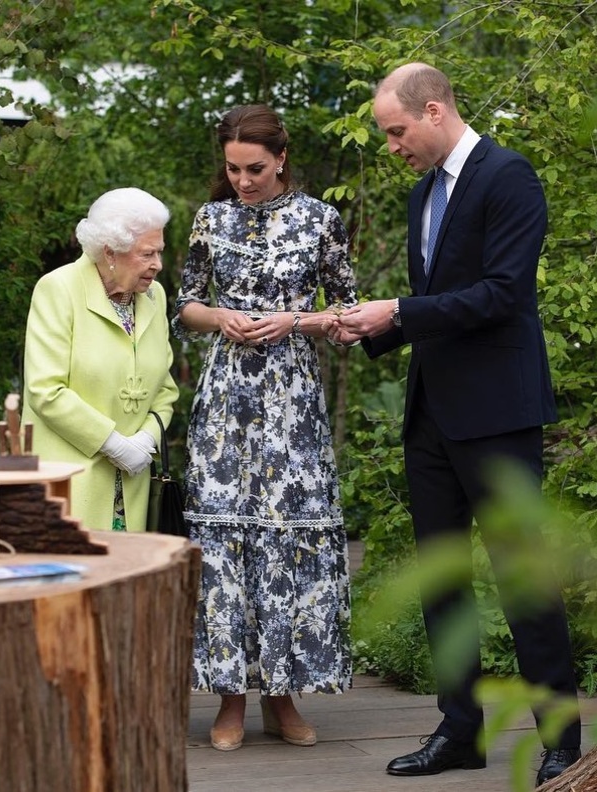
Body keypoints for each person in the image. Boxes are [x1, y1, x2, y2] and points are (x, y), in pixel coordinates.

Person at [327, 63, 581, 786]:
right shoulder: (421, 197)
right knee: (442, 580)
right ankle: (459, 731)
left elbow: (501, 294)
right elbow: (438, 302)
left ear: (433, 111)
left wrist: (399, 312)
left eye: (396, 131)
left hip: (498, 414)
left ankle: (562, 740)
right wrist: (368, 329)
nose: (391, 145)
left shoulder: (510, 177)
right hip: (432, 415)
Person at [173, 104, 356, 752]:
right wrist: (219, 316)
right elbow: (183, 303)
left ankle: (283, 697)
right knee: (224, 549)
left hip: (292, 404)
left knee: (285, 547)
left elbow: (350, 313)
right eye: (232, 168)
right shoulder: (211, 219)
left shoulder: (319, 219)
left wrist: (293, 322)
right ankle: (229, 701)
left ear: (280, 158)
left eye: (254, 168)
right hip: (226, 407)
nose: (243, 180)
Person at [22, 187, 179, 532]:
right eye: (147, 254)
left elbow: (165, 391)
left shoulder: (154, 296)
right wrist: (112, 444)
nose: (158, 265)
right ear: (110, 252)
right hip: (68, 481)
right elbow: (46, 389)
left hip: (132, 487)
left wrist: (145, 441)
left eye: (159, 252)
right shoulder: (58, 289)